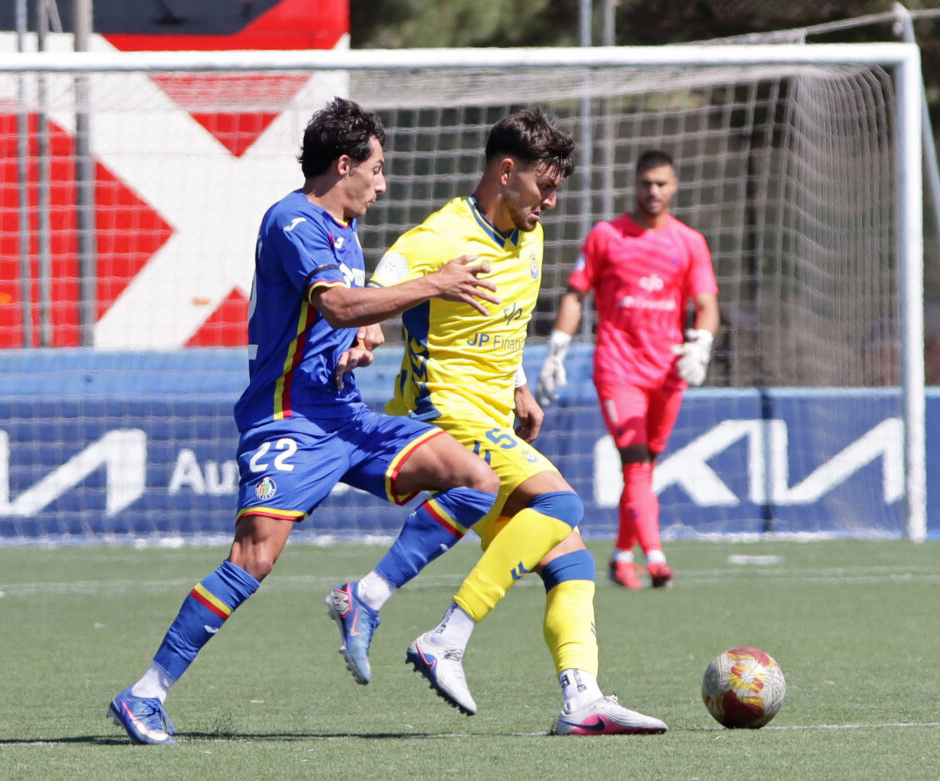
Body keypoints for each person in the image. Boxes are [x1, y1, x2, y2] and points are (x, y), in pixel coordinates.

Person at [106, 97, 505, 745]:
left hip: (344, 414)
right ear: (343, 164)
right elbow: (340, 304)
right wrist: (430, 285)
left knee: (474, 480)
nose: (383, 182)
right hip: (287, 418)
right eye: (376, 169)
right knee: (252, 558)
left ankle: (365, 596)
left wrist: (357, 340)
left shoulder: (345, 230)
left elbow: (339, 316)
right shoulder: (292, 220)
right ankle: (144, 694)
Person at [325, 109, 667, 736]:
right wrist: (370, 325)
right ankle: (445, 639)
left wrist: (519, 386)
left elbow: (501, 329)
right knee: (563, 505)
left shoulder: (528, 234)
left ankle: (581, 698)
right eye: (545, 186)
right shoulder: (442, 234)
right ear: (506, 172)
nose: (552, 201)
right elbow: (383, 280)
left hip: (493, 420)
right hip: (443, 416)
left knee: (571, 560)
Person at [536, 149, 720, 590]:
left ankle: (621, 557)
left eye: (661, 184)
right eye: (646, 183)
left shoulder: (689, 242)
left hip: (669, 373)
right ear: (633, 185)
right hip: (618, 368)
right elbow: (576, 294)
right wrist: (557, 346)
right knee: (636, 462)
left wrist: (703, 344)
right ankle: (655, 558)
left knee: (645, 466)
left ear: (674, 186)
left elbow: (708, 306)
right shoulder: (606, 236)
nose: (653, 192)